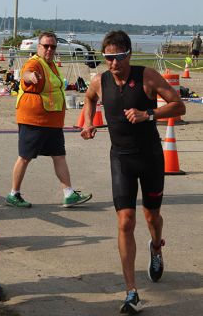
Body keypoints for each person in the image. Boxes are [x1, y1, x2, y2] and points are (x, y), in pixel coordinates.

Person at [81, 31, 185, 314]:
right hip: (121, 160)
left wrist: (148, 114)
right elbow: (89, 98)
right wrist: (89, 122)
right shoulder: (99, 81)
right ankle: (131, 292)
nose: (113, 63)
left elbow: (178, 104)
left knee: (152, 216)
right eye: (108, 57)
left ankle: (155, 247)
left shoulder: (147, 76)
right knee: (125, 221)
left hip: (150, 158)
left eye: (118, 57)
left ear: (128, 54)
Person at [6, 31, 92, 208]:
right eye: (46, 46)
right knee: (25, 157)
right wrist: (31, 77)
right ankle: (13, 194)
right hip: (34, 120)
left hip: (52, 120)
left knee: (59, 155)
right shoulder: (34, 63)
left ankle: (69, 193)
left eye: (53, 46)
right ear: (39, 47)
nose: (50, 49)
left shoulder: (51, 64)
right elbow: (26, 74)